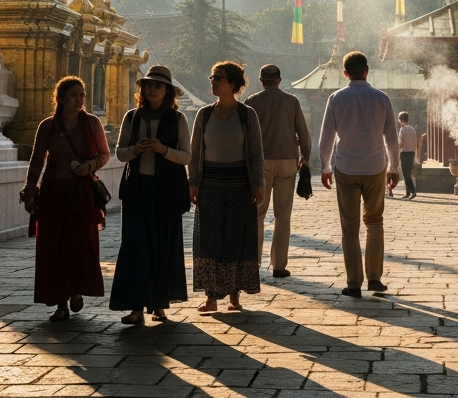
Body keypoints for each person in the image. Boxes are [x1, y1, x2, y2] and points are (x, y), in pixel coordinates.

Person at [20, 76, 109, 321]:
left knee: (80, 245)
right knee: (54, 248)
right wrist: (29, 188)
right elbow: (37, 159)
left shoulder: (91, 124)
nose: (79, 100)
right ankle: (60, 302)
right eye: (73, 95)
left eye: (82, 95)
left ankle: (77, 289)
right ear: (60, 98)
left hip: (81, 193)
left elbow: (104, 154)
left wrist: (89, 165)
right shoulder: (48, 126)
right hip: (53, 192)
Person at [110, 65, 191, 326]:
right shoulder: (133, 117)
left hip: (166, 190)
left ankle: (159, 303)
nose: (152, 89)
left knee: (163, 245)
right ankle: (135, 307)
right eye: (148, 85)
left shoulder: (177, 119)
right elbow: (120, 153)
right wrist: (137, 148)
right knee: (135, 247)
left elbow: (186, 156)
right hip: (137, 188)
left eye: (158, 85)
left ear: (167, 91)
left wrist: (163, 149)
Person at [318, 50, 399, 298]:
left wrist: (325, 166)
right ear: (367, 70)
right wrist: (394, 167)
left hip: (346, 167)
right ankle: (374, 278)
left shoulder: (336, 98)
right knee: (374, 222)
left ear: (345, 73)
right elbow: (391, 138)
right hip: (375, 166)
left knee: (349, 227)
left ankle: (354, 283)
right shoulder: (382, 98)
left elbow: (327, 137)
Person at [190, 61, 266, 312]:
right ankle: (211, 297)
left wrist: (258, 184)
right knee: (209, 240)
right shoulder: (204, 115)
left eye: (218, 78)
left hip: (239, 185)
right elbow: (195, 152)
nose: (213, 81)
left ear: (232, 84)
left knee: (236, 238)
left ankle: (234, 294)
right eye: (212, 77)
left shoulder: (247, 115)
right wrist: (193, 182)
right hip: (210, 183)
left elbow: (256, 152)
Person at [244, 64, 312, 278]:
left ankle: (253, 263)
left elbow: (244, 136)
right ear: (279, 80)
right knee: (283, 216)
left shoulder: (252, 102)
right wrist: (306, 157)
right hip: (286, 161)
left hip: (260, 162)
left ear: (261, 80)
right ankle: (279, 265)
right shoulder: (291, 102)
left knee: (257, 215)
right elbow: (303, 132)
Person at [396, 112, 419, 199]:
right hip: (412, 153)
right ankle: (408, 193)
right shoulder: (412, 129)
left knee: (406, 174)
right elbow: (415, 142)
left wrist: (397, 150)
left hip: (404, 153)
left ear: (400, 119)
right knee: (408, 172)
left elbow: (400, 143)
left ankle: (412, 191)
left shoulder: (402, 130)